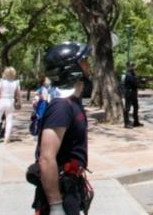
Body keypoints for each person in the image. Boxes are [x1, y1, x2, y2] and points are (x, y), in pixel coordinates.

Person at [31, 42, 93, 215]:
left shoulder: (73, 103)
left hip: (71, 188)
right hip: (60, 194)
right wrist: (56, 205)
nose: (88, 64)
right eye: (84, 60)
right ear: (72, 69)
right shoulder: (61, 107)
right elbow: (46, 158)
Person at [0, 66, 22, 143]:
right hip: (10, 101)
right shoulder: (16, 83)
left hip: (1, 100)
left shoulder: (2, 82)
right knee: (9, 120)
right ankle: (6, 138)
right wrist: (19, 102)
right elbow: (18, 94)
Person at [122, 64, 142, 128]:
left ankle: (136, 122)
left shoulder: (133, 74)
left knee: (136, 107)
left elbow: (136, 82)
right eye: (132, 66)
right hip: (129, 93)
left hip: (133, 93)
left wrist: (137, 81)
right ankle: (126, 123)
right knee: (127, 108)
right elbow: (134, 83)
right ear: (130, 67)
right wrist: (138, 81)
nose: (134, 67)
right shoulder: (128, 75)